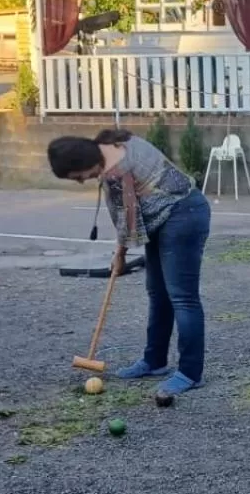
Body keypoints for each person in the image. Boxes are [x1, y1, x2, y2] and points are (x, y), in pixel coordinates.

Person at [46, 129, 212, 398]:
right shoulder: (107, 141)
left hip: (184, 214)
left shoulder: (115, 173)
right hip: (162, 218)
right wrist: (119, 253)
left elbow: (127, 227)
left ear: (82, 162)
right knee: (158, 295)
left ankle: (190, 373)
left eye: (78, 176)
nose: (81, 181)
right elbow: (131, 221)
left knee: (182, 298)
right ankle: (154, 361)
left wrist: (120, 256)